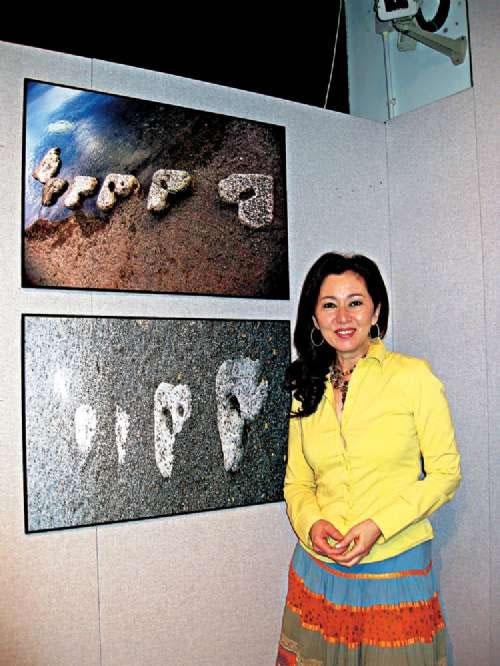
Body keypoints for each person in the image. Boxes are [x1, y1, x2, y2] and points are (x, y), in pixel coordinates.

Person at [276, 252, 461, 666]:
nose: (343, 317)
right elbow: (297, 483)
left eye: (355, 302)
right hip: (319, 570)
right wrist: (311, 524)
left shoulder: (413, 377)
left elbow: (446, 473)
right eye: (329, 304)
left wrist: (379, 525)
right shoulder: (307, 387)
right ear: (314, 318)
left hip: (393, 566)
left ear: (376, 311)